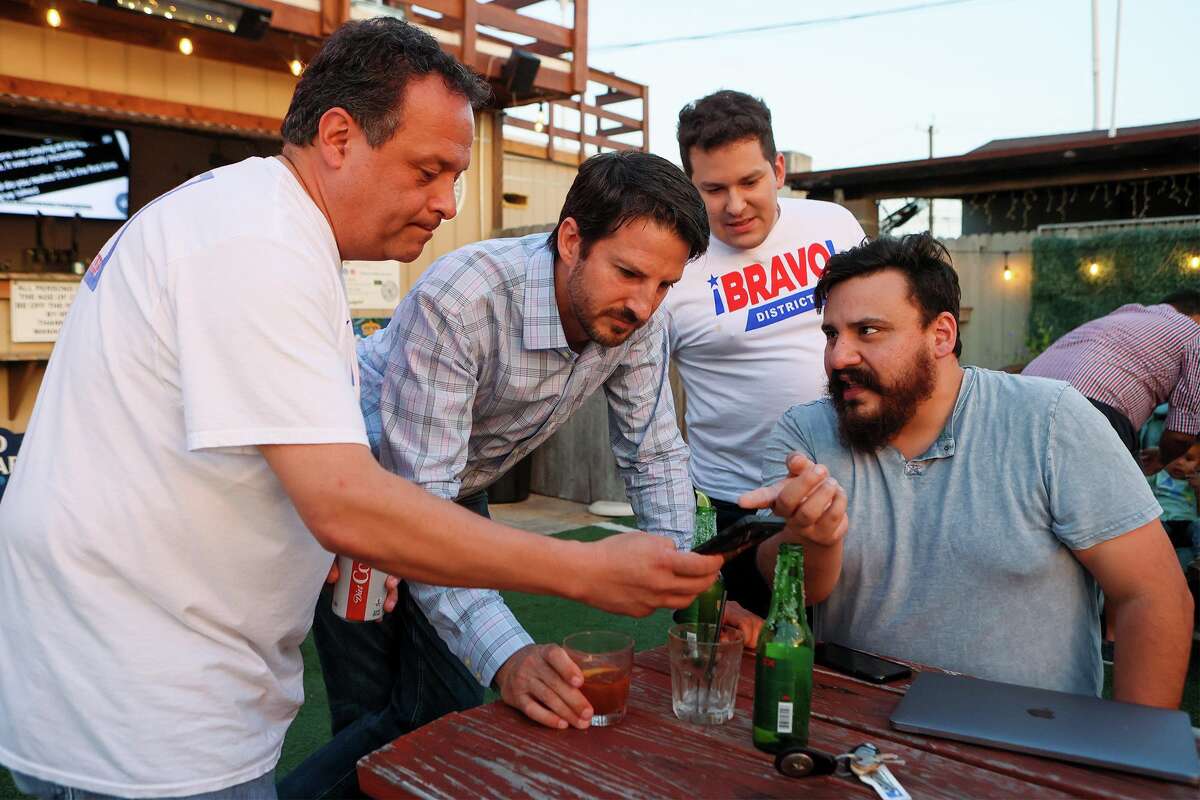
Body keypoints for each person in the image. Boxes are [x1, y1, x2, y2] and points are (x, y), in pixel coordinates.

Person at [0, 20, 725, 800]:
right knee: (401, 724)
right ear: (339, 136)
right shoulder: (258, 243)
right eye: (428, 170)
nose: (448, 203)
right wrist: (584, 570)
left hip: (154, 680)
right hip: (137, 715)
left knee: (408, 718)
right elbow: (349, 501)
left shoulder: (270, 229)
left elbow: (299, 472)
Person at [283, 151, 765, 798]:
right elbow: (417, 502)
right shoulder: (463, 300)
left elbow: (653, 455)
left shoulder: (638, 319)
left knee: (417, 717)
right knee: (402, 713)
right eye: (628, 273)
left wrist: (688, 588)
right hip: (357, 494)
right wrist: (509, 657)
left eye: (663, 285)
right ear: (571, 240)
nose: (645, 305)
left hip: (456, 486)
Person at [742, 233, 1193, 706]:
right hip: (856, 728)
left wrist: (1133, 761)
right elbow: (796, 593)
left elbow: (1154, 596)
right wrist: (812, 536)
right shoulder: (807, 434)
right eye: (832, 334)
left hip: (1024, 743)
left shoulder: (1051, 421)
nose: (838, 357)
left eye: (868, 331)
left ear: (941, 335)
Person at [665, 90, 866, 616]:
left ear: (777, 169)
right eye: (713, 188)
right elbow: (644, 408)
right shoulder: (674, 265)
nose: (734, 205)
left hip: (843, 484)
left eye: (749, 182)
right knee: (729, 657)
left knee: (840, 656)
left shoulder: (835, 225)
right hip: (732, 505)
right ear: (691, 186)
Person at [1023, 290, 1200, 463]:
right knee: (1105, 491)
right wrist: (1162, 459)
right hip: (1088, 410)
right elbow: (1180, 435)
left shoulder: (1125, 313)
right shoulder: (1194, 333)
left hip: (1018, 399)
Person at [1139, 404, 1200, 565]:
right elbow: (1139, 486)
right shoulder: (1158, 475)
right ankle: (1150, 561)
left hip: (1188, 521)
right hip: (1162, 520)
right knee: (1152, 533)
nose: (1179, 462)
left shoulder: (1194, 483)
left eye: (1188, 459)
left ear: (1198, 465)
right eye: (1175, 456)